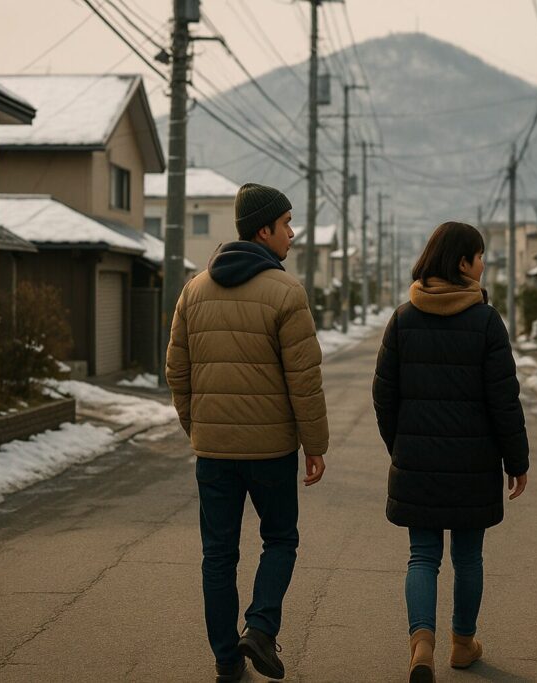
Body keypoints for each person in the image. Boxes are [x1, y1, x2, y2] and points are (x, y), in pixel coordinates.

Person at [166, 183, 329, 682]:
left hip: (213, 454)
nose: (292, 234)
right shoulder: (285, 292)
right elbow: (304, 378)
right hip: (271, 451)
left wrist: (199, 427)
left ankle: (225, 658)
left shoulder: (194, 289)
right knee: (280, 538)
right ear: (264, 230)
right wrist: (314, 446)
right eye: (286, 224)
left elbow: (176, 370)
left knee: (218, 554)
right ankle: (259, 628)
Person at [372, 221, 530, 682]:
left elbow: (384, 396)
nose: (484, 265)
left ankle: (421, 644)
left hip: (416, 462)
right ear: (463, 263)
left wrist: (400, 446)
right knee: (468, 556)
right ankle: (462, 644)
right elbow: (505, 399)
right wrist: (516, 461)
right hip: (474, 465)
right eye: (479, 257)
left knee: (422, 555)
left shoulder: (403, 318)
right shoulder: (485, 321)